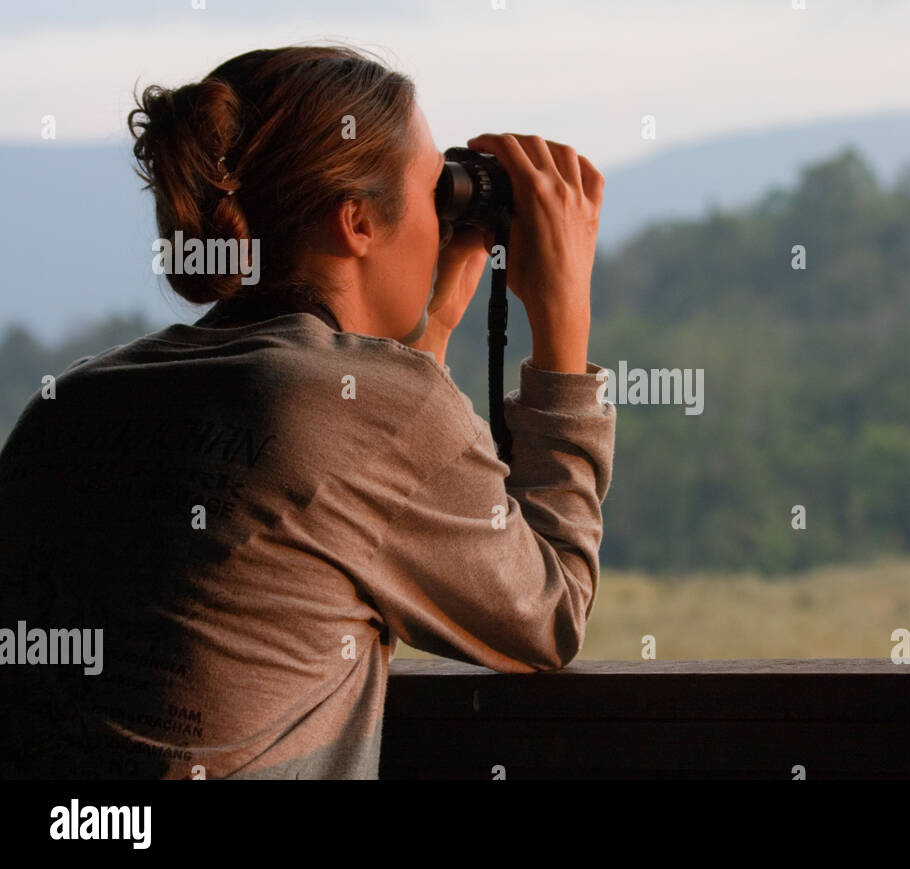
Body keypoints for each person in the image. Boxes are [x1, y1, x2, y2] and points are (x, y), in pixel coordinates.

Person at [0, 45, 615, 779]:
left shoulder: (70, 403)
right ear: (356, 222)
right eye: (434, 194)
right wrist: (563, 328)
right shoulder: (377, 413)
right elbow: (547, 612)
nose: (442, 221)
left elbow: (339, 467)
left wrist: (433, 332)